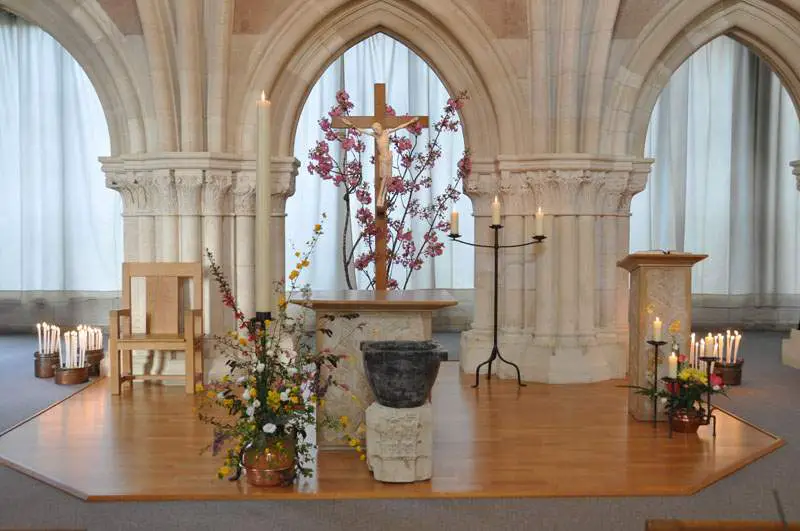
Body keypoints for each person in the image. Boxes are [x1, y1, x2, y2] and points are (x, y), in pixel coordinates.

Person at [340, 117, 419, 209]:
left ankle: (382, 197)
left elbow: (399, 127)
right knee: (384, 177)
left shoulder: (386, 132)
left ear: (380, 127)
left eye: (377, 129)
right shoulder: (375, 135)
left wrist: (410, 121)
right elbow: (362, 130)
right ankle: (380, 197)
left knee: (388, 178)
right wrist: (350, 124)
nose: (376, 131)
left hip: (389, 157)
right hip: (383, 159)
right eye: (374, 130)